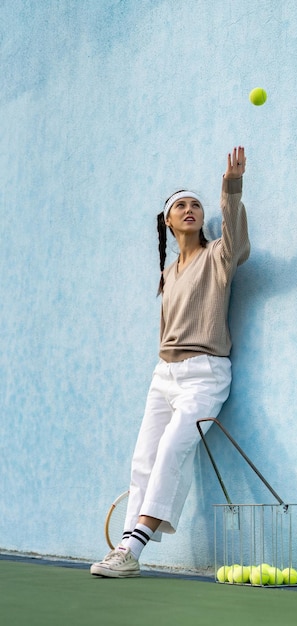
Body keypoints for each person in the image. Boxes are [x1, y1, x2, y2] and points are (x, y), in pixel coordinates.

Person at [90, 146, 250, 578]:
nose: (191, 209)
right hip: (164, 375)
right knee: (143, 457)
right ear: (168, 220)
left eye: (196, 204)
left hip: (205, 375)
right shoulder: (169, 272)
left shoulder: (218, 256)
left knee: (172, 450)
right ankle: (124, 544)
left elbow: (235, 237)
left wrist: (230, 188)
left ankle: (133, 550)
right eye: (181, 205)